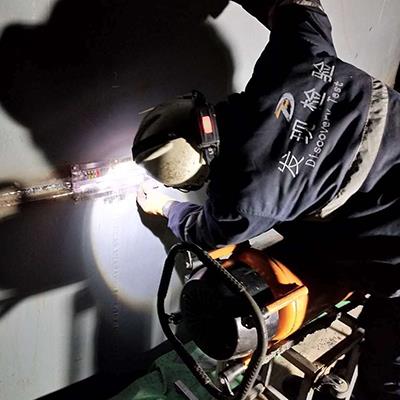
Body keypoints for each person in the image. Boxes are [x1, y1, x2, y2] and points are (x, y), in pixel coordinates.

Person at [133, 0, 400, 398]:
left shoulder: (241, 197)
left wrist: (164, 206)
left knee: (386, 382)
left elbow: (201, 231)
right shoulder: (294, 58)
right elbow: (299, 6)